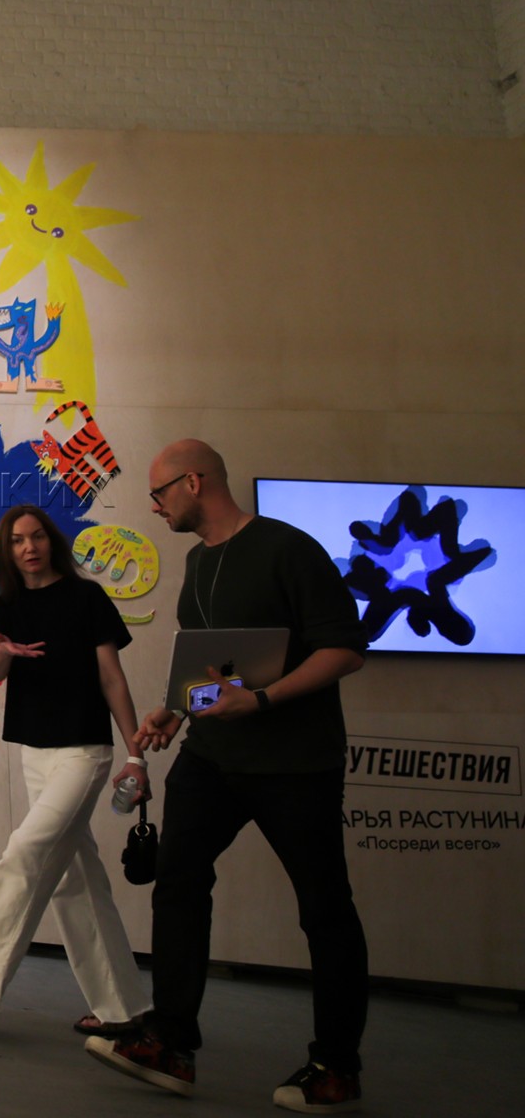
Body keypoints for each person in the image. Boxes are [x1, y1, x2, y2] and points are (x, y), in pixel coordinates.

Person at [86, 440, 368, 1114]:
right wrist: (176, 710)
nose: (154, 507)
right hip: (212, 757)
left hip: (296, 763)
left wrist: (262, 701)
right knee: (179, 881)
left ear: (194, 481)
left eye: (159, 494)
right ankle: (170, 1042)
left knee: (324, 910)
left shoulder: (287, 549)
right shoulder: (198, 561)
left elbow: (344, 650)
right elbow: (217, 666)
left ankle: (336, 1068)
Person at [0, 504, 151, 1035]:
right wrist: (3, 651)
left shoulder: (86, 597)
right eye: (16, 541)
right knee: (76, 880)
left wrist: (136, 755)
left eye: (36, 537)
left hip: (84, 752)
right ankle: (123, 1009)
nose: (28, 547)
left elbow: (112, 679)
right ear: (7, 551)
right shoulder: (6, 604)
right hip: (35, 752)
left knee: (25, 852)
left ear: (51, 541)